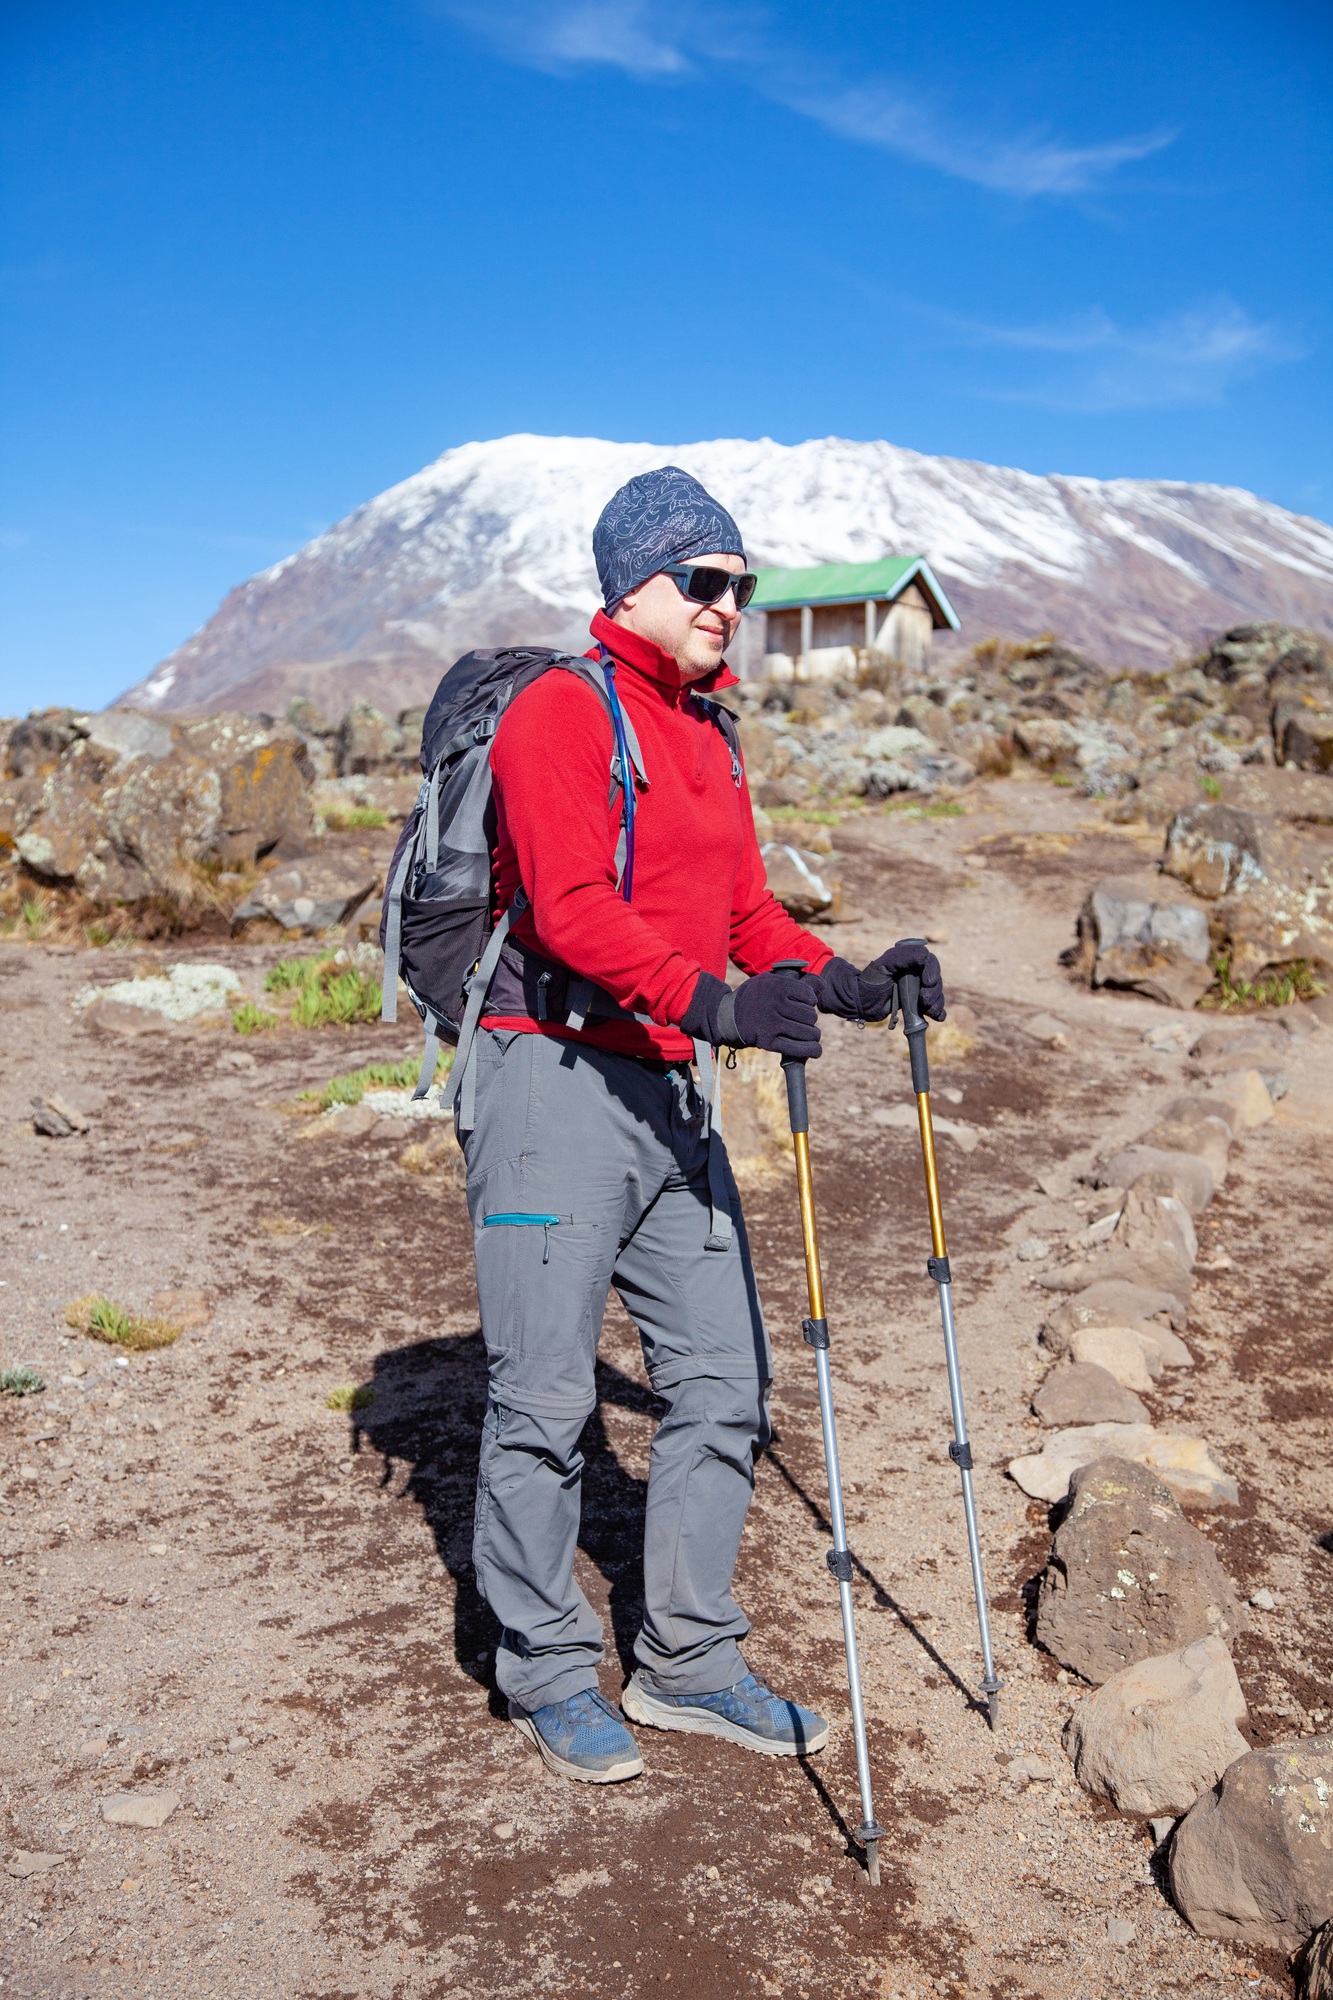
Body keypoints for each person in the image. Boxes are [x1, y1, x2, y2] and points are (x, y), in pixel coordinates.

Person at [461, 465, 945, 1783]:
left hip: (670, 1089)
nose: (733, 605)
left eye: (743, 583)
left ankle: (684, 1660)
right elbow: (567, 910)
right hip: (547, 1085)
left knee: (727, 1377)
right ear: (634, 583)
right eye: (706, 581)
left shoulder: (707, 738)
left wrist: (841, 981)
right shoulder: (558, 716)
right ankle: (549, 1671)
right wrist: (719, 1010)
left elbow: (743, 924)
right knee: (543, 1400)